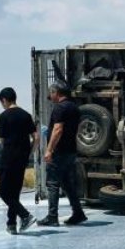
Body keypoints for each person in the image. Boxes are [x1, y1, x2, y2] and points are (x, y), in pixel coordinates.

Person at [38, 82, 87, 226]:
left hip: (59, 152)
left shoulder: (59, 108)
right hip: (70, 150)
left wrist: (49, 150)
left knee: (52, 183)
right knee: (67, 183)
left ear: (57, 93)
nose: (50, 96)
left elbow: (58, 129)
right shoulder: (74, 108)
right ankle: (78, 213)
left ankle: (52, 217)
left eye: (51, 93)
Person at [0, 87, 37, 234]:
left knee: (4, 191)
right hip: (22, 158)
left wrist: (8, 150)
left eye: (1, 101)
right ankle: (11, 224)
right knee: (14, 191)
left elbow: (2, 140)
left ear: (4, 100)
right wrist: (29, 152)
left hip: (8, 157)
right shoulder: (26, 115)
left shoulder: (3, 116)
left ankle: (25, 215)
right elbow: (36, 137)